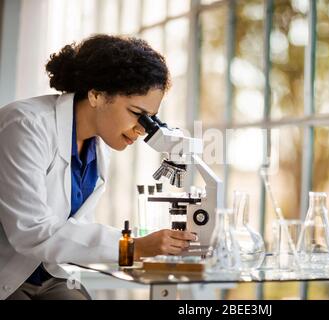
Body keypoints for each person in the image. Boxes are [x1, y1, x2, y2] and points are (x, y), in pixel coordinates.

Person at [0, 34, 197, 300]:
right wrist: (133, 247)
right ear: (96, 95)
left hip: (51, 273)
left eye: (151, 119)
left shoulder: (99, 143)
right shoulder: (26, 125)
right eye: (137, 114)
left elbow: (74, 230)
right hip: (9, 272)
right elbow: (31, 231)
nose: (142, 129)